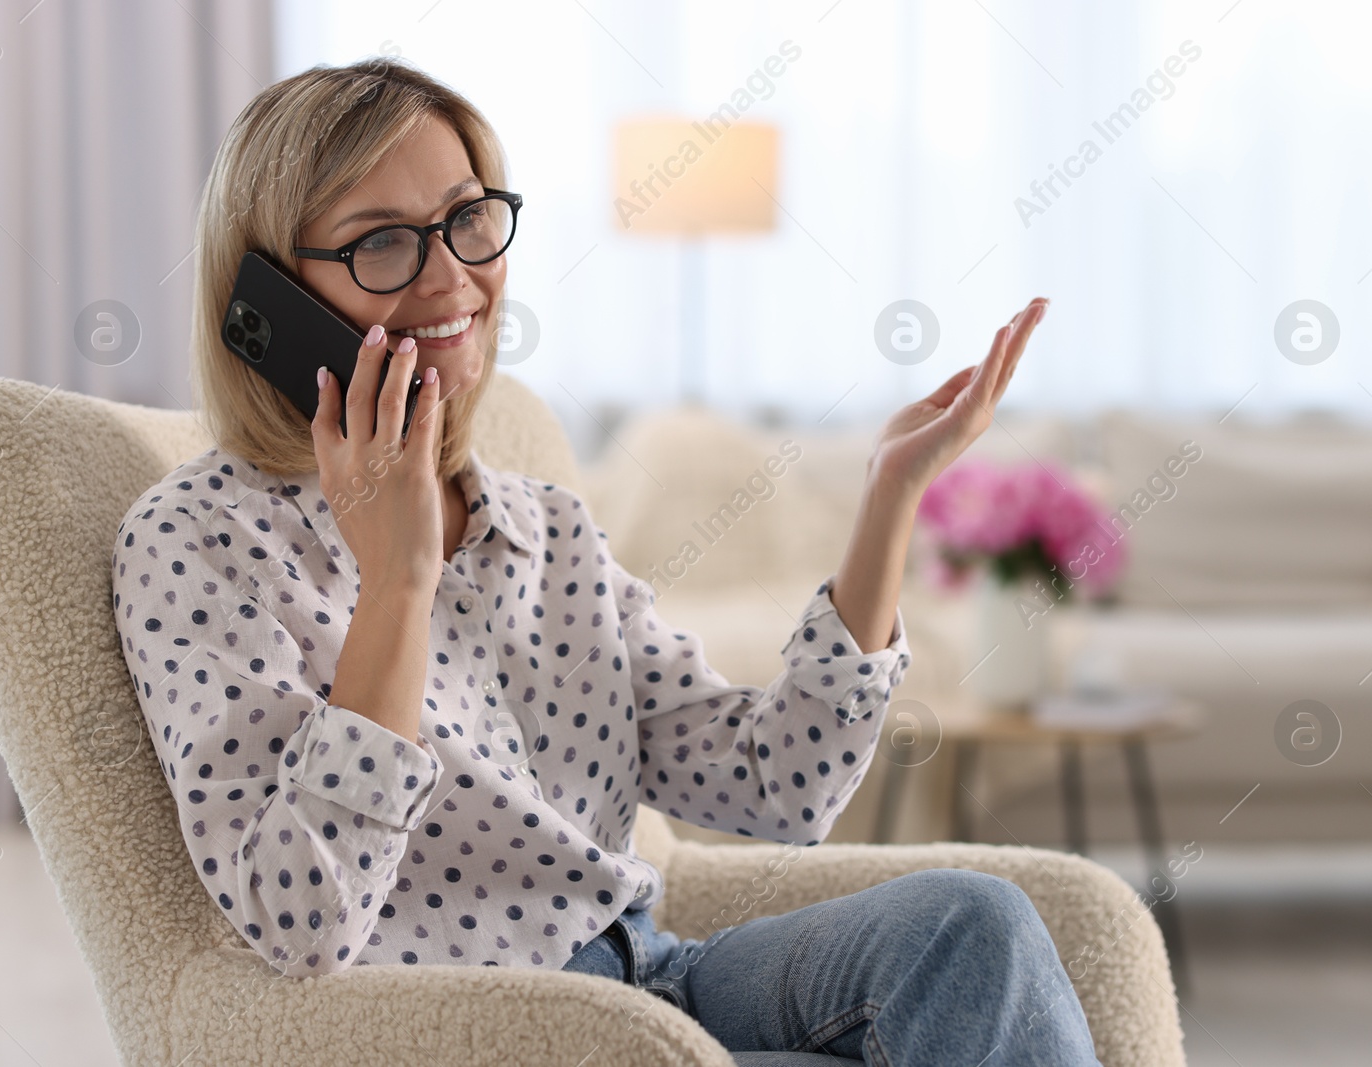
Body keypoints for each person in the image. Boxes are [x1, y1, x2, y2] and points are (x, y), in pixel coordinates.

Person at [110, 56, 1099, 1065]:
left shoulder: (545, 527)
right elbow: (302, 917)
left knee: (971, 925)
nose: (451, 275)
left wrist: (891, 495)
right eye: (382, 243)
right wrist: (396, 580)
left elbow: (778, 786)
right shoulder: (200, 541)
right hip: (491, 1030)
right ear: (269, 294)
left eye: (467, 219)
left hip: (649, 975)